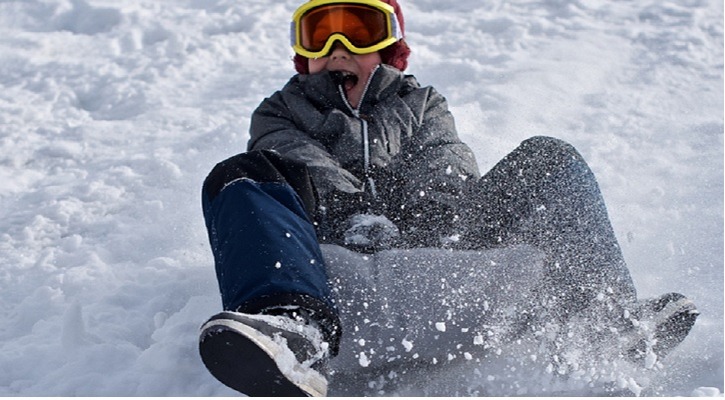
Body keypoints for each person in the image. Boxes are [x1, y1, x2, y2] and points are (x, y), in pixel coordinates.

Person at [197, 0, 699, 396]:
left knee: (549, 158)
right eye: (320, 33)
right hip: (328, 251)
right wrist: (353, 215)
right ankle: (292, 330)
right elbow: (298, 159)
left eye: (359, 30)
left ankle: (602, 318)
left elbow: (446, 161)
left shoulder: (421, 103)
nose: (338, 46)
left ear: (391, 48)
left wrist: (428, 215)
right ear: (304, 54)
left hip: (442, 236)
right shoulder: (280, 110)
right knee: (240, 175)